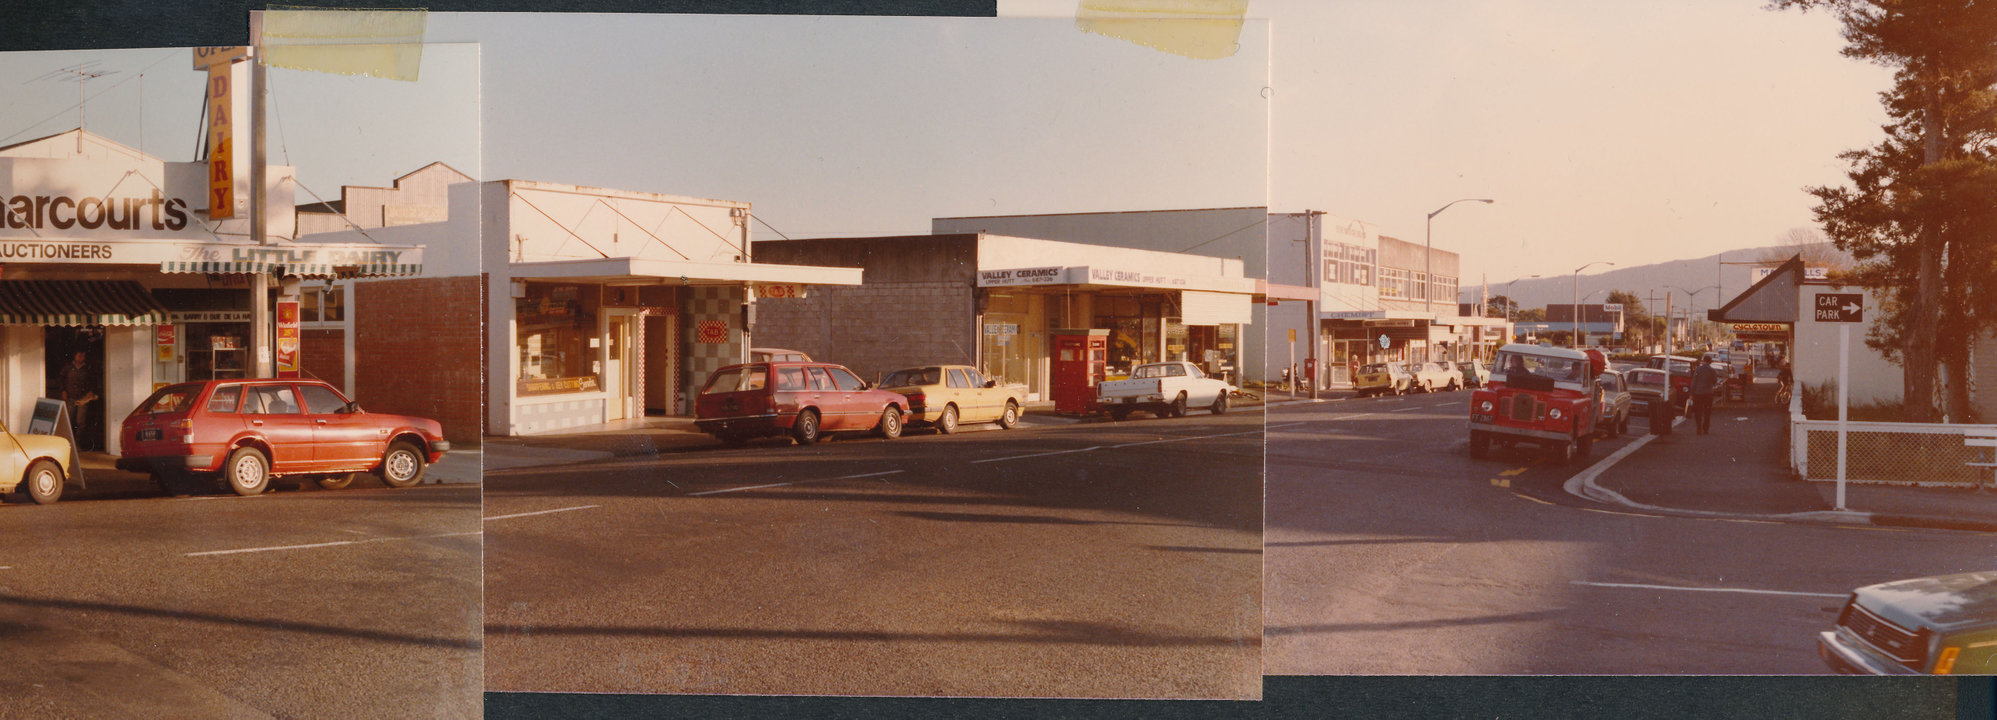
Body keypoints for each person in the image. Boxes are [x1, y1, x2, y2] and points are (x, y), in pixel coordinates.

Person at [59, 350, 98, 451]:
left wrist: (90, 392)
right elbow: (61, 379)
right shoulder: (68, 367)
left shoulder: (87, 369)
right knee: (68, 419)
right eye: (79, 355)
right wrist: (63, 391)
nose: (80, 357)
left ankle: (77, 443)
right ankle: (67, 443)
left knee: (81, 422)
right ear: (75, 356)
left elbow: (93, 382)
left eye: (83, 355)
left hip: (83, 398)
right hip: (70, 397)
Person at [1689, 352, 1721, 435]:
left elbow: (1694, 382)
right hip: (1708, 393)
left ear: (1703, 361)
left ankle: (1698, 427)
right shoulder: (1712, 370)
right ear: (1710, 362)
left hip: (1698, 393)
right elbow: (1714, 381)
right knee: (1707, 412)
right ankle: (1705, 428)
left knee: (1698, 411)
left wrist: (1691, 394)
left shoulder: (1698, 369)